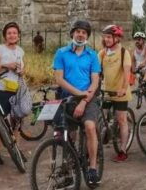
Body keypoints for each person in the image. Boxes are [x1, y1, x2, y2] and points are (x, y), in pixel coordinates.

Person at [53, 20, 101, 186]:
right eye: (78, 31)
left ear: (87, 36)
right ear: (72, 33)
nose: (81, 35)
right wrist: (76, 94)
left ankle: (93, 168)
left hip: (88, 98)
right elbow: (59, 79)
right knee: (68, 135)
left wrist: (84, 99)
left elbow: (95, 81)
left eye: (84, 33)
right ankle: (68, 170)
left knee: (89, 127)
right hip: (68, 98)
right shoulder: (61, 52)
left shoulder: (92, 55)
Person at [0, 22, 25, 165]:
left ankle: (15, 149)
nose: (12, 35)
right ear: (5, 35)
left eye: (14, 33)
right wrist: (6, 66)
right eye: (9, 33)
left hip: (16, 90)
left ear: (18, 35)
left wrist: (22, 71)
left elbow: (23, 68)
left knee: (17, 122)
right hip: (2, 90)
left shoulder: (21, 51)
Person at [98, 25, 132, 162]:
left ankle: (123, 150)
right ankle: (103, 137)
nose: (106, 39)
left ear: (116, 38)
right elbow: (96, 71)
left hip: (120, 92)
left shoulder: (124, 52)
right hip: (106, 90)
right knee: (101, 118)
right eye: (105, 36)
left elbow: (127, 72)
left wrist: (123, 88)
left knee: (122, 120)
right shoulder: (102, 53)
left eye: (109, 37)